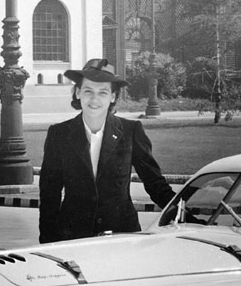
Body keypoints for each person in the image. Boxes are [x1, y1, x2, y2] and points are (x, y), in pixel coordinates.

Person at [38, 58, 175, 244]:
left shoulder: (131, 131)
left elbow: (155, 183)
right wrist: (48, 241)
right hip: (72, 237)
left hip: (122, 236)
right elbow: (49, 194)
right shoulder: (59, 134)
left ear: (112, 97)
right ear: (78, 93)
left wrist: (184, 214)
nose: (94, 99)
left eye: (103, 92)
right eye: (88, 91)